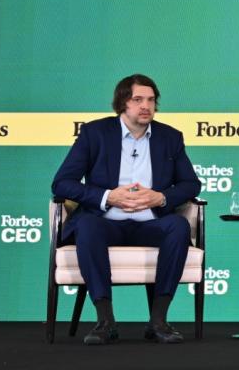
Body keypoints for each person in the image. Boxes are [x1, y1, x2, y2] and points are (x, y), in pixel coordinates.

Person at [50, 74, 200, 345]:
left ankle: (158, 321)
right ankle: (105, 322)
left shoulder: (170, 137)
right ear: (122, 103)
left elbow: (191, 184)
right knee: (87, 226)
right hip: (106, 221)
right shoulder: (95, 133)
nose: (146, 106)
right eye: (137, 99)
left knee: (178, 226)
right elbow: (62, 183)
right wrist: (108, 196)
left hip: (150, 223)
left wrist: (160, 198)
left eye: (151, 100)